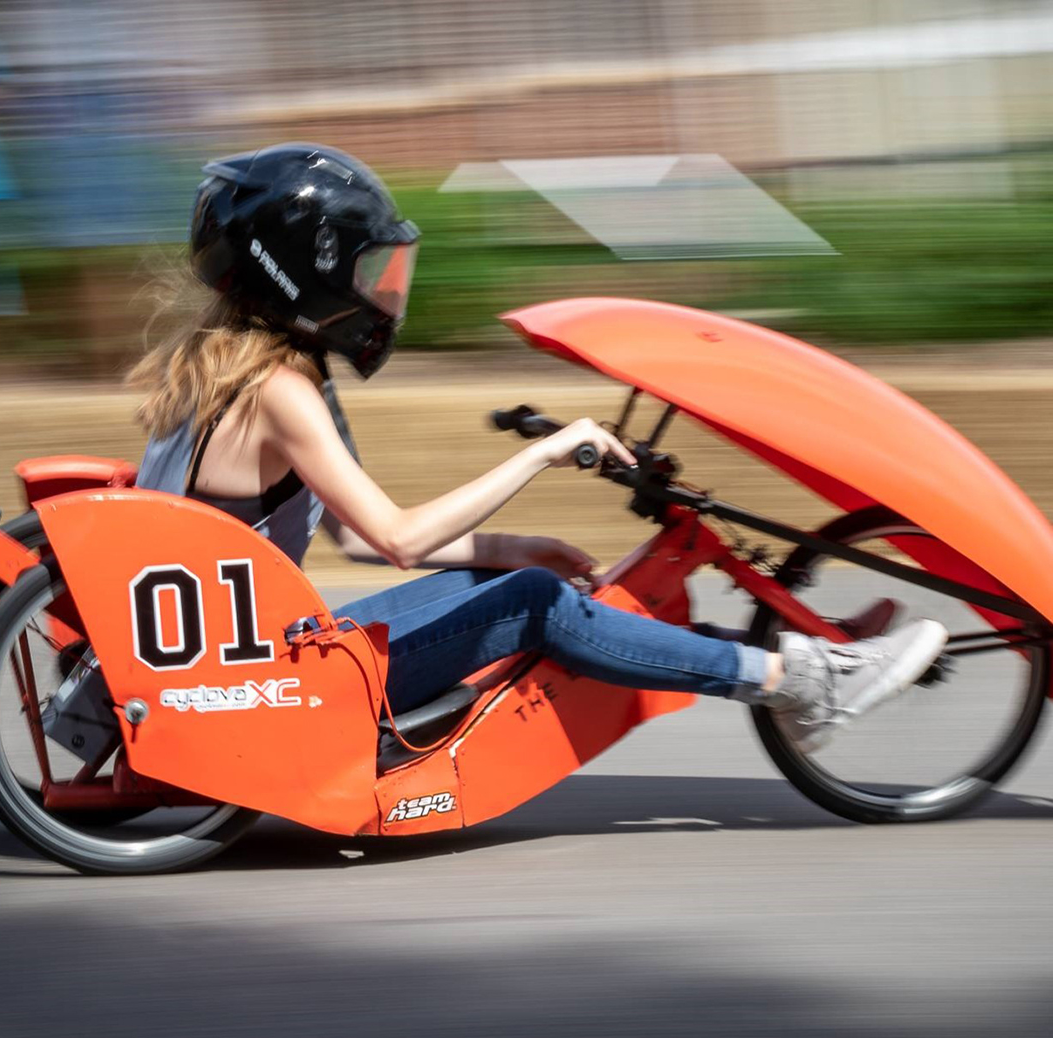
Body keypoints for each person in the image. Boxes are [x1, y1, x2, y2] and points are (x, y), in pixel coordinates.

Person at [129, 143, 946, 750]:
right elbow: (396, 539)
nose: (381, 291)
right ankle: (797, 682)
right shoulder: (281, 392)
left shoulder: (217, 373)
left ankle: (806, 654)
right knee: (535, 604)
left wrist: (513, 545)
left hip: (234, 666)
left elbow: (355, 539)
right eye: (363, 270)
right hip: (268, 683)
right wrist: (544, 455)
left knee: (515, 579)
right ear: (302, 276)